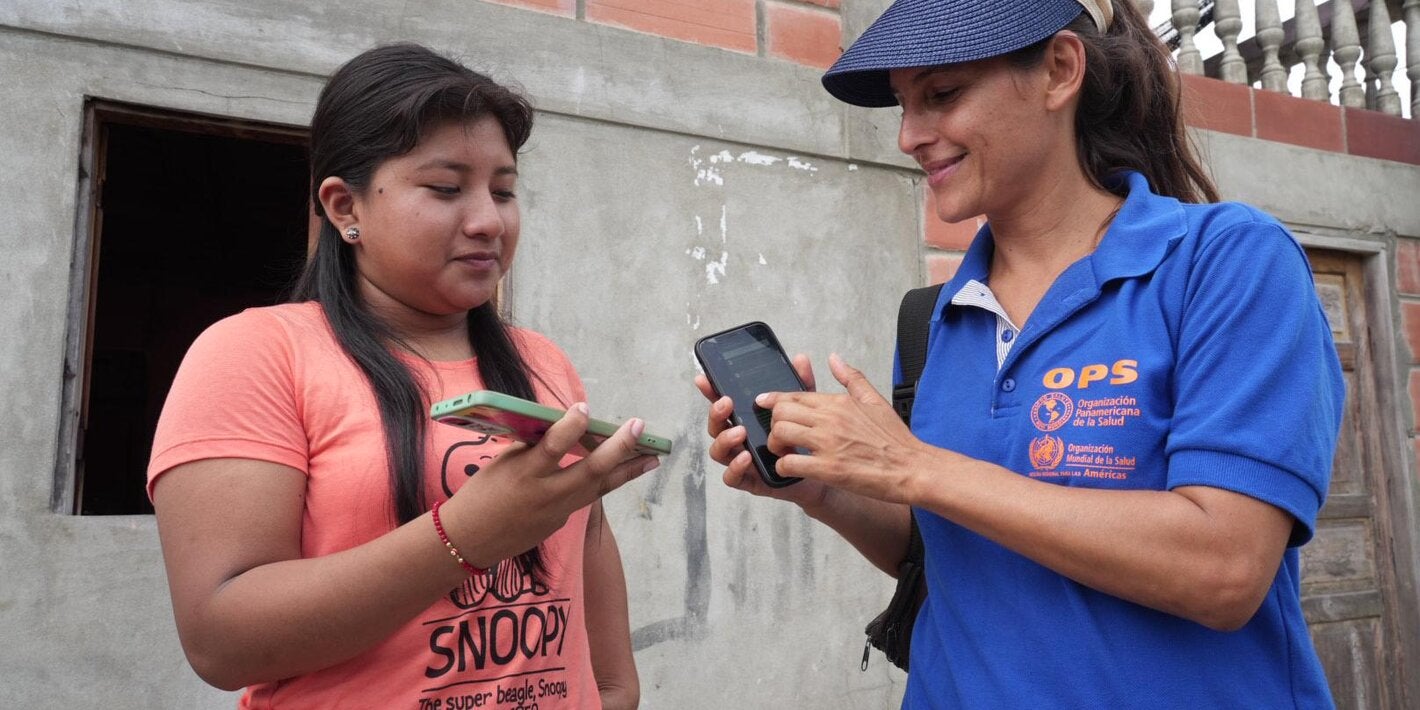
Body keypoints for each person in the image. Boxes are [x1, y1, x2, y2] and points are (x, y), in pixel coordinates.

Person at [696, 0, 1344, 707]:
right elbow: (944, 546)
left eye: (942, 94)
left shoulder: (1225, 261)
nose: (911, 135)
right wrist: (830, 491)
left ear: (1060, 71)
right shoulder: (937, 317)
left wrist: (914, 466)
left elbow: (1224, 570)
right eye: (903, 106)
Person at [148, 43, 658, 709]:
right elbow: (222, 640)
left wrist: (616, 696)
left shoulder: (542, 361)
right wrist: (466, 535)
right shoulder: (257, 353)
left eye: (503, 190)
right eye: (446, 188)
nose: (488, 220)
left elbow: (588, 567)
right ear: (344, 207)